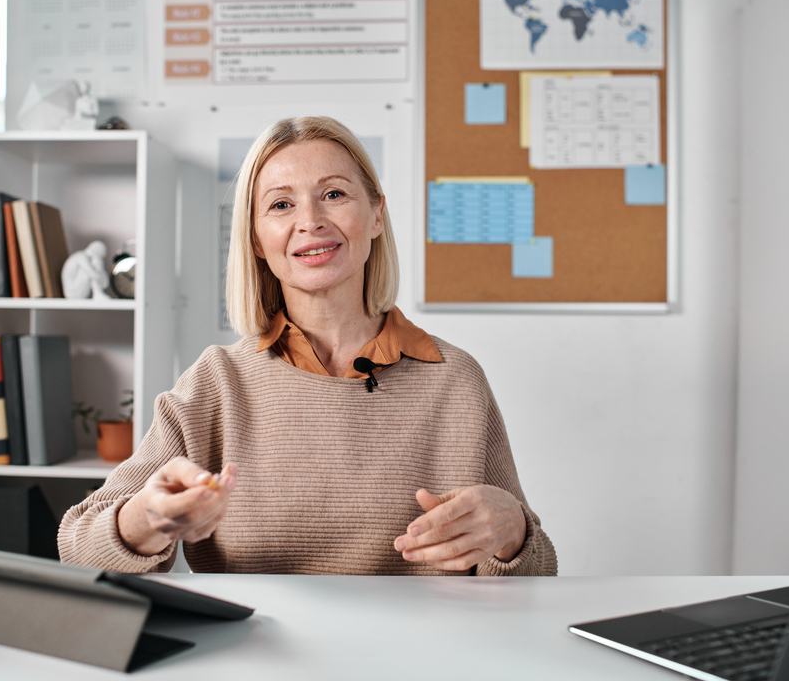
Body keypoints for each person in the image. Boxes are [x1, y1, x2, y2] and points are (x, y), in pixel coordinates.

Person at [58, 117, 557, 576]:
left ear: (377, 215)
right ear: (256, 238)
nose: (311, 220)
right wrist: (146, 518)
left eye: (334, 194)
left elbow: (538, 572)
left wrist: (513, 533)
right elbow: (77, 545)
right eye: (280, 204)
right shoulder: (217, 382)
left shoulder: (455, 379)